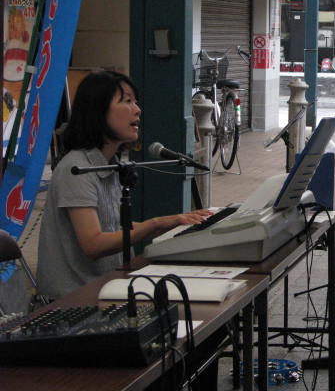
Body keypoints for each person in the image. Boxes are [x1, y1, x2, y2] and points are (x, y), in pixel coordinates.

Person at [36, 70, 212, 300]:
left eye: (135, 102)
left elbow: (114, 226)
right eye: (127, 101)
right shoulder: (77, 169)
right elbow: (93, 244)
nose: (137, 110)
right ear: (98, 111)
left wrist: (173, 225)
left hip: (107, 288)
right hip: (74, 302)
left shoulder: (110, 164)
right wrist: (156, 223)